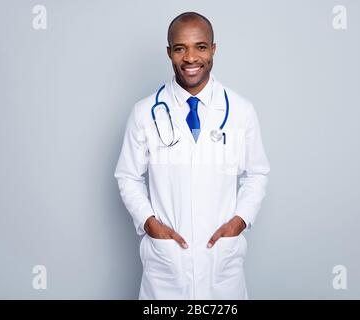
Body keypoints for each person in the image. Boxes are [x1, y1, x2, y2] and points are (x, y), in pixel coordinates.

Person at [114, 11, 270, 299]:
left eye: (200, 46)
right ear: (169, 53)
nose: (190, 58)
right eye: (179, 48)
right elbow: (127, 176)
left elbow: (257, 173)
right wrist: (150, 224)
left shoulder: (241, 110)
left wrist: (239, 221)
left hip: (221, 261)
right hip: (167, 263)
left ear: (213, 49)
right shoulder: (145, 113)